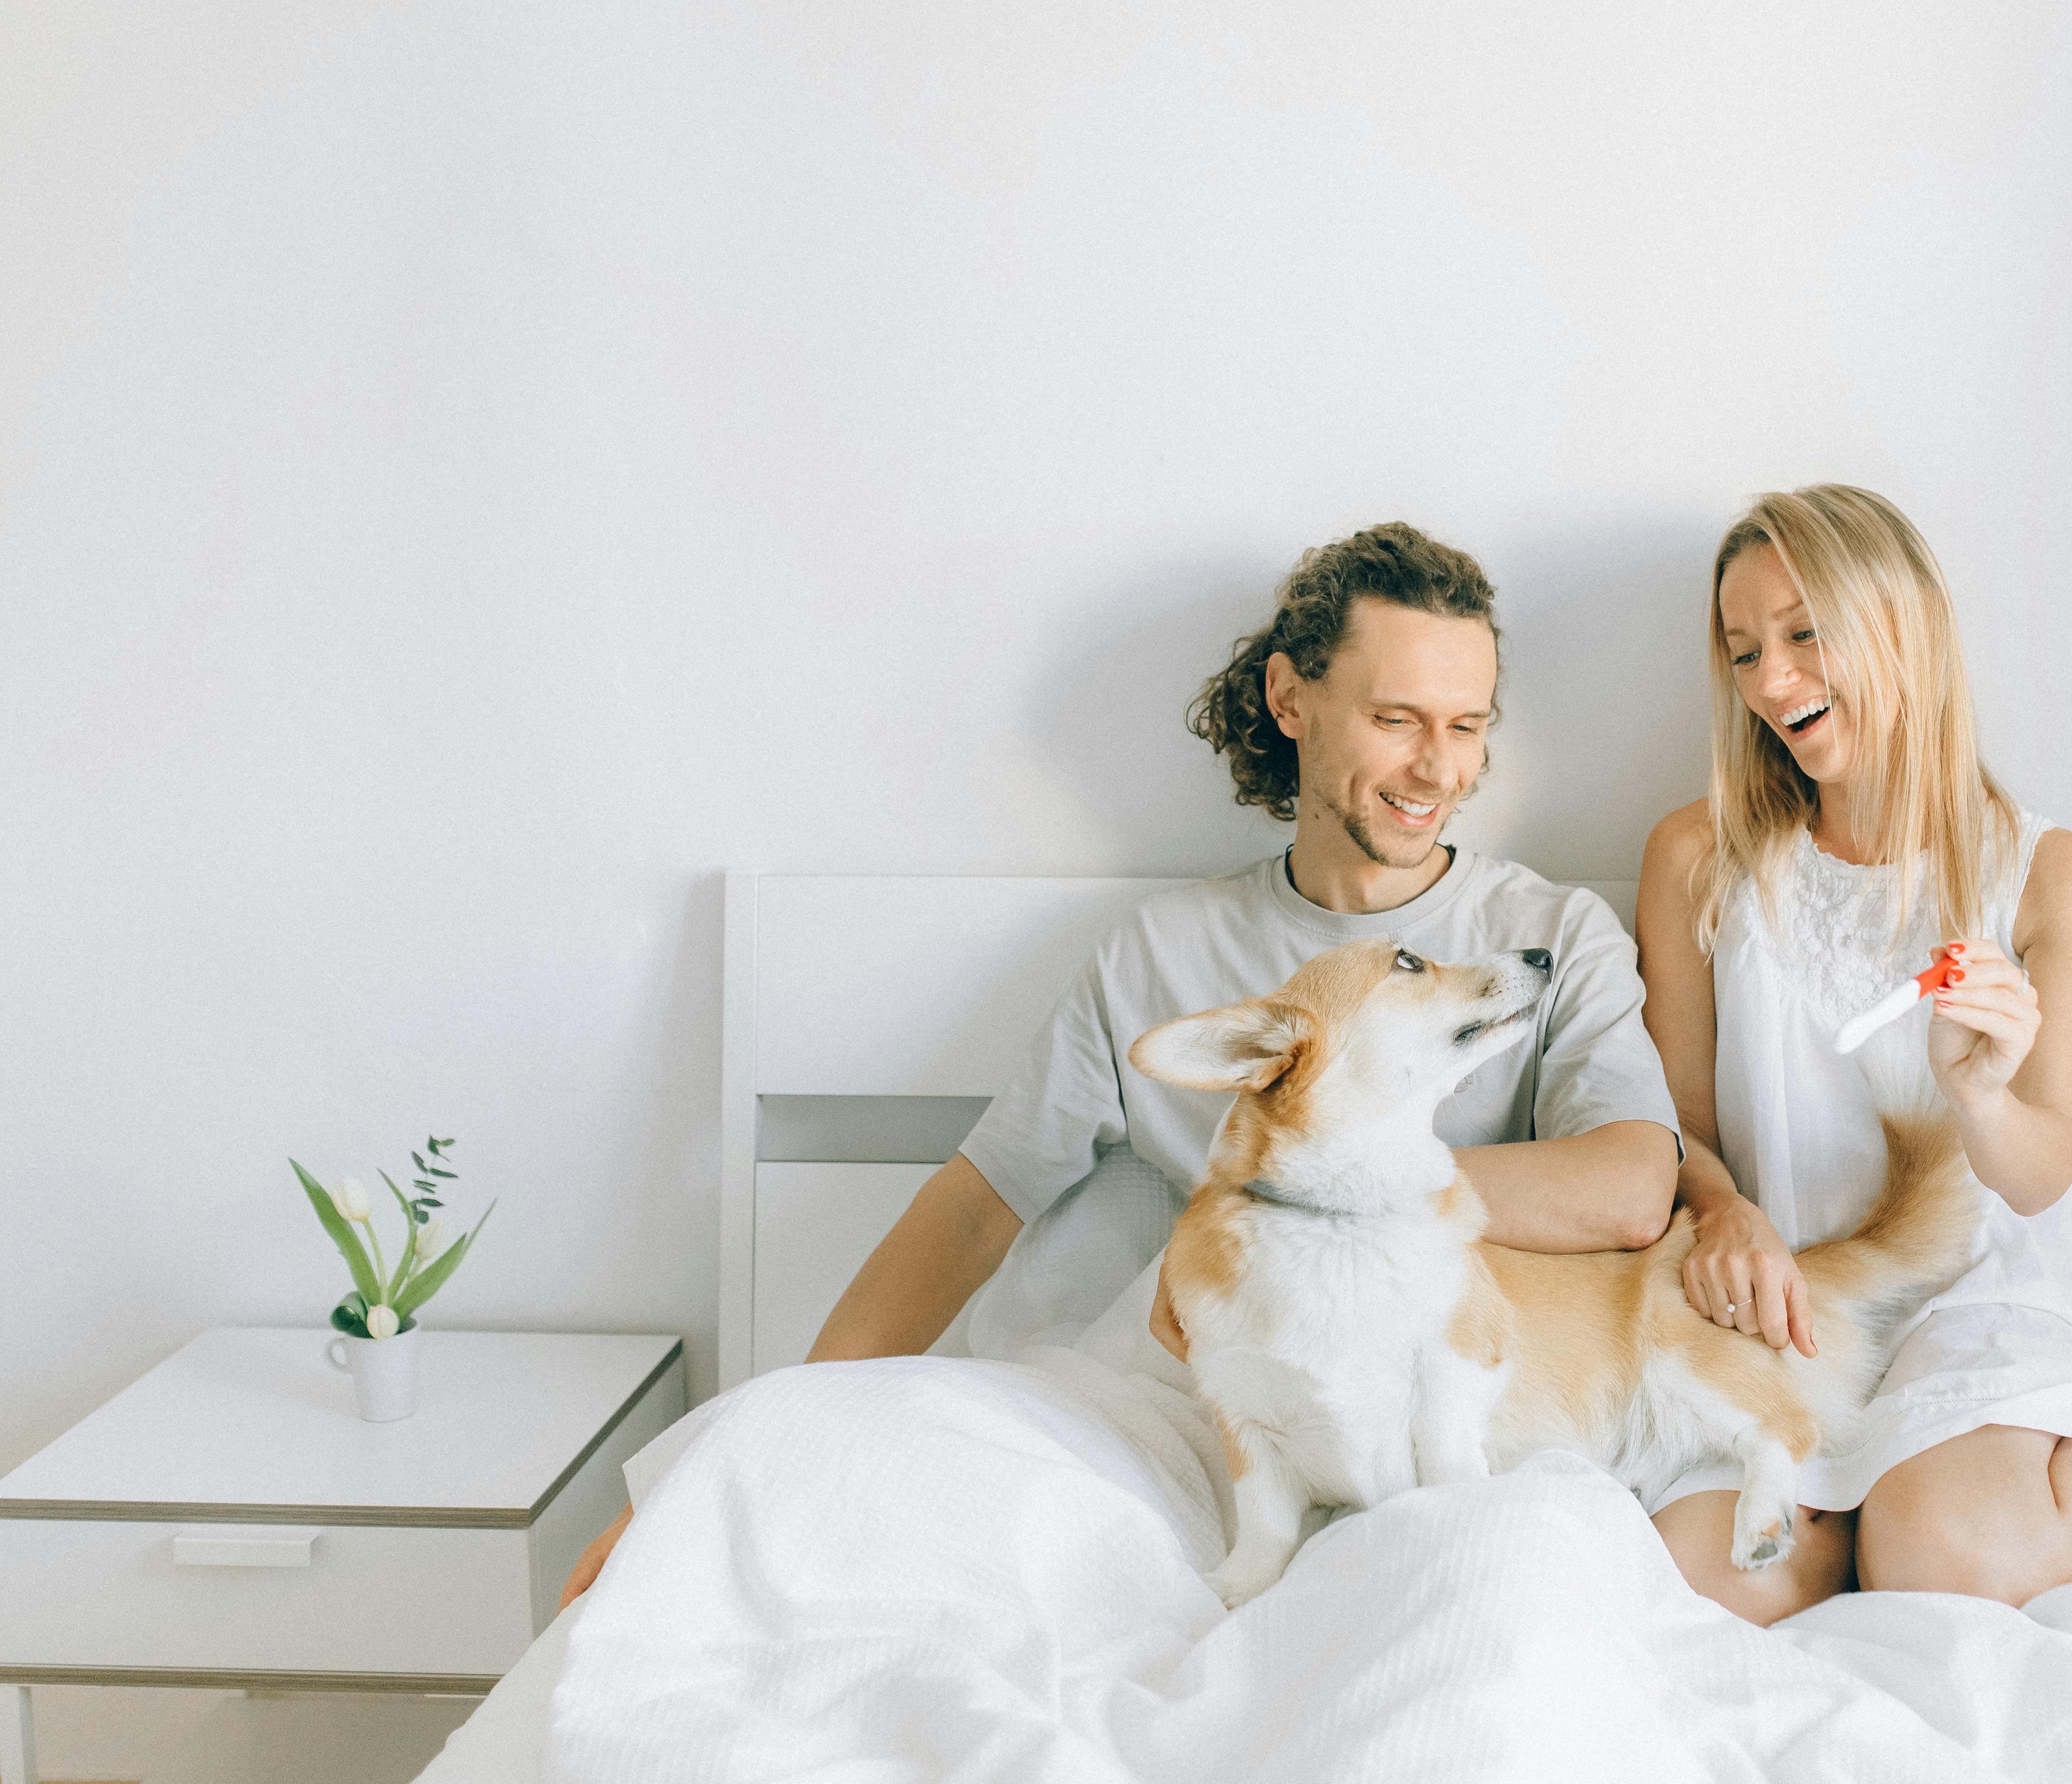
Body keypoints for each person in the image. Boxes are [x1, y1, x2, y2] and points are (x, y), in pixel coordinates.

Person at [562, 522, 1681, 1605]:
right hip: (1206, 1439)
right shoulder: (1163, 956)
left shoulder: (1544, 941)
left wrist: (1313, 1212)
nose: (1436, 767)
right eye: (1396, 719)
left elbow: (1632, 1188)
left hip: (1450, 1438)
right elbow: (972, 1213)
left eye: (1466, 725)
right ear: (1292, 699)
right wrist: (770, 1438)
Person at [1635, 484, 2072, 1626]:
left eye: (1805, 635)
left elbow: (2039, 1172)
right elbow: (1678, 1124)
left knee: (1943, 1562)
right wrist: (1722, 1212)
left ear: (1903, 627)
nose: (1772, 684)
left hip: (1981, 1300)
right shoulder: (1698, 857)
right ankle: (1875, 1494)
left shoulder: (2063, 881)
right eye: (1745, 651)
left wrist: (1979, 1090)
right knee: (1697, 1586)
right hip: (1795, 1304)